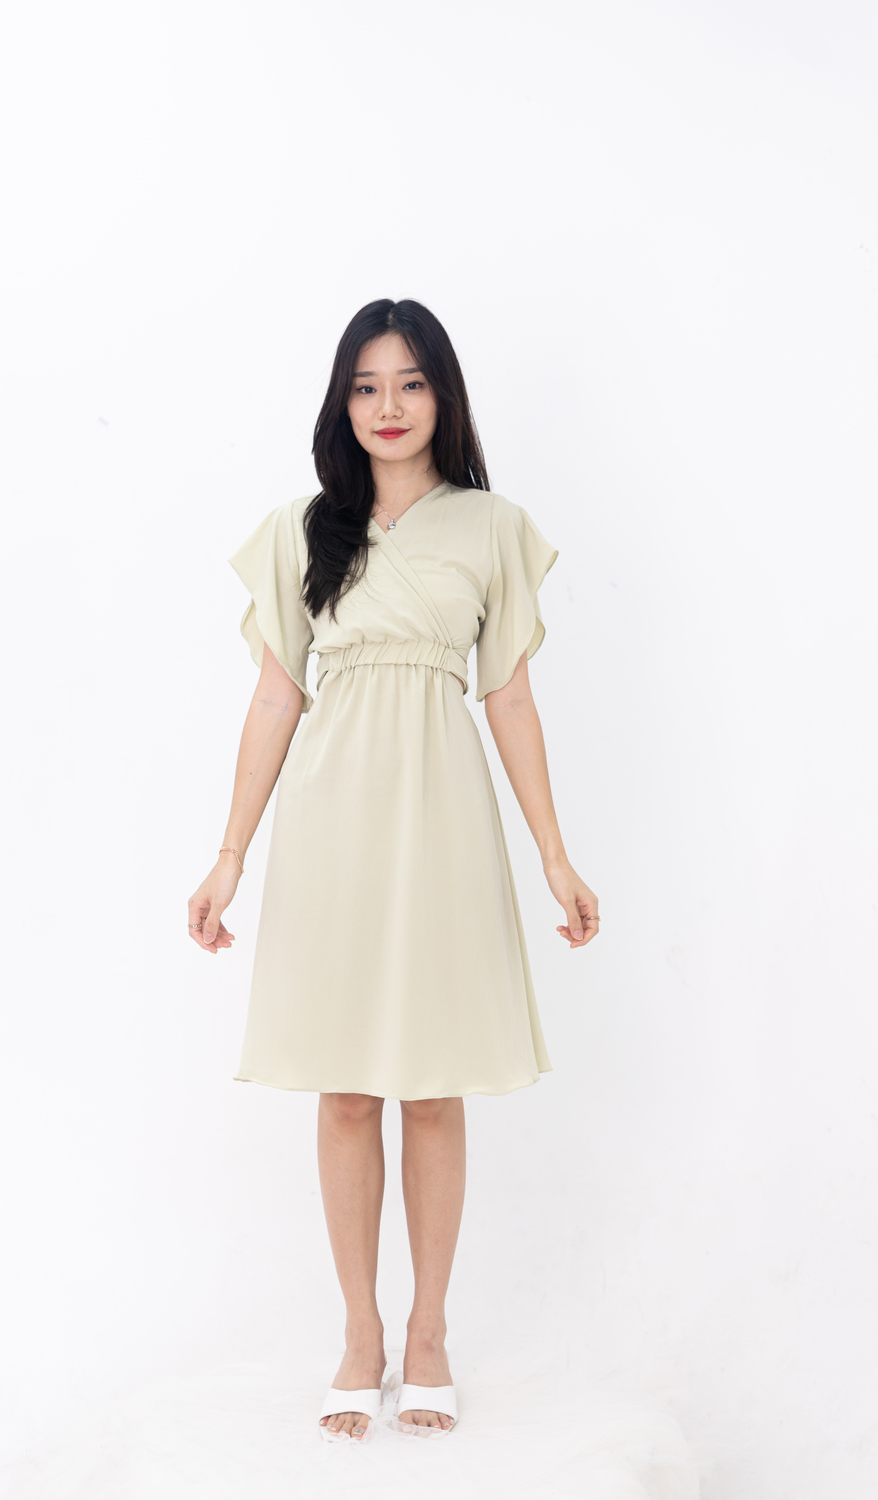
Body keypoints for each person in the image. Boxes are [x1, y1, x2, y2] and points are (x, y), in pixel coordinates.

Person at [187, 298, 599, 1443]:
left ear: (442, 396)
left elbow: (507, 697)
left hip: (443, 815)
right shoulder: (299, 529)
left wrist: (555, 855)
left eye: (410, 382)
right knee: (344, 1085)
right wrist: (227, 857)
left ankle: (428, 1332)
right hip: (332, 820)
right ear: (342, 402)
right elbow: (275, 699)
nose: (388, 405)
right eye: (366, 385)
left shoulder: (492, 526)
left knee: (433, 1081)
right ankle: (360, 1332)